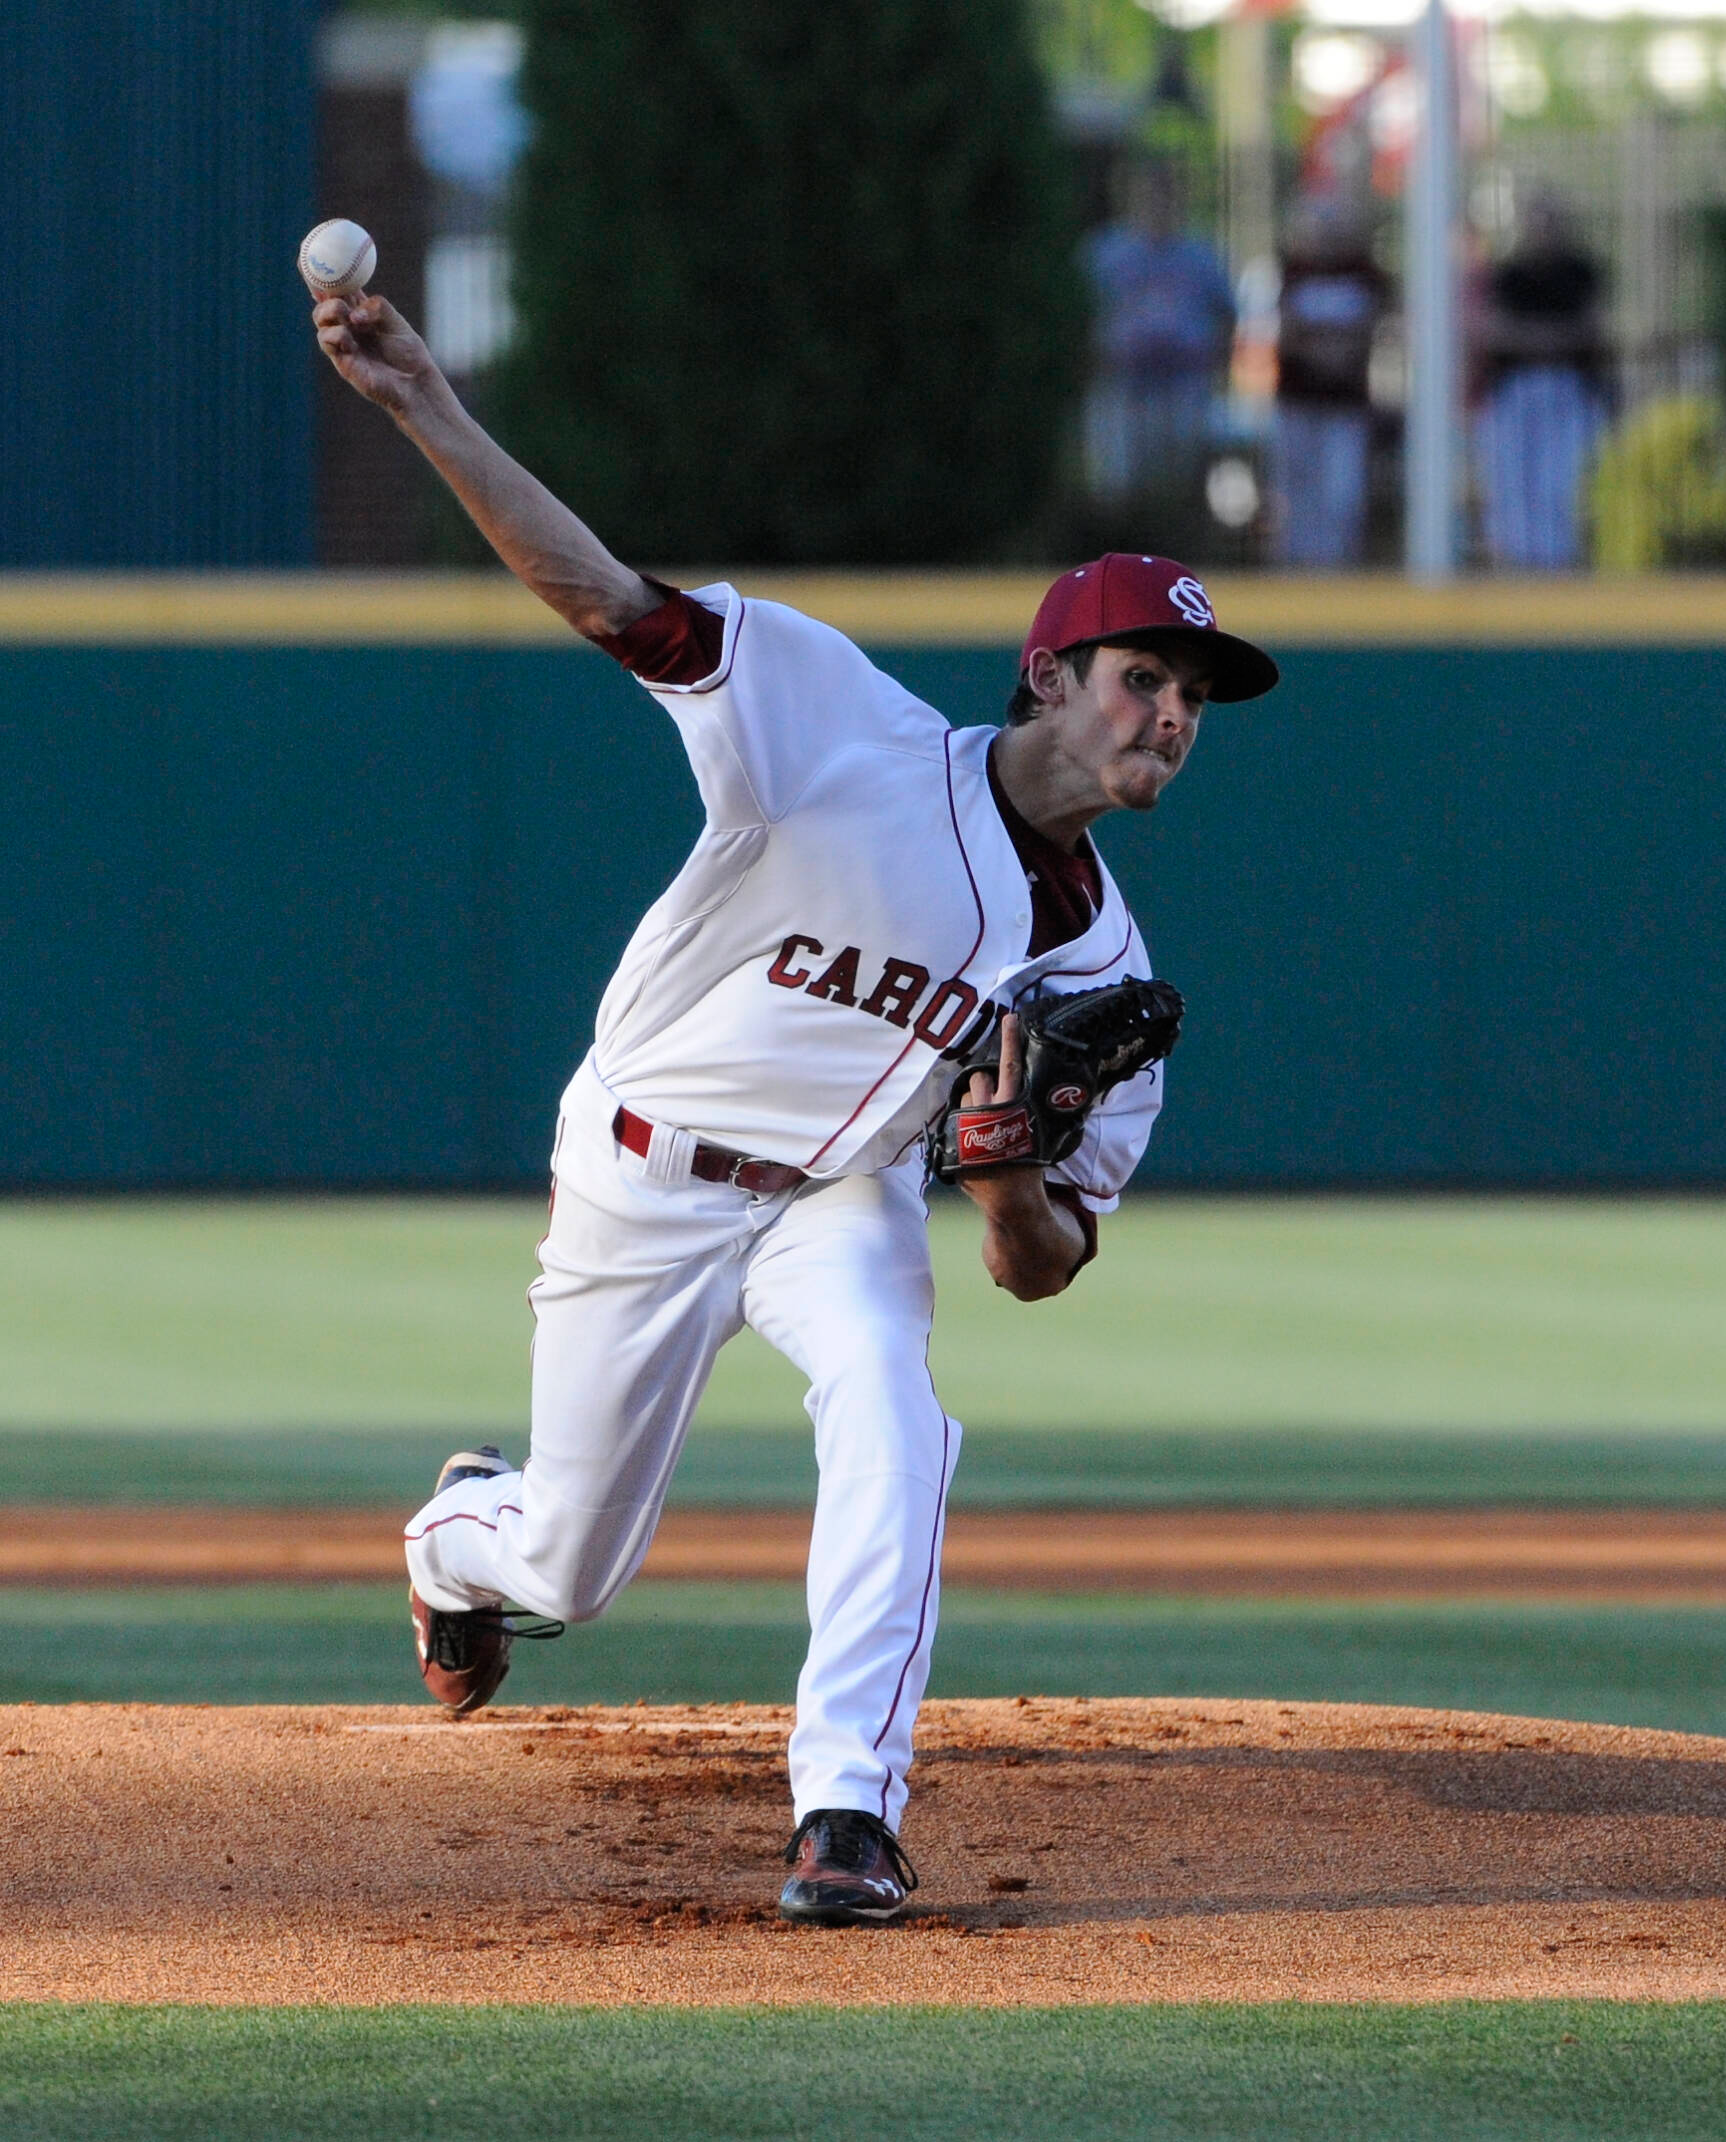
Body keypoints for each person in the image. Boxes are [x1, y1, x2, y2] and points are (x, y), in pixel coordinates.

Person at [310, 285, 1279, 1925]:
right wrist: (426, 407)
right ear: (1051, 674)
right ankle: (456, 1532)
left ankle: (848, 1811)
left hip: (841, 1196)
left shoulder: (1111, 973)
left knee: (898, 1417)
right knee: (570, 1566)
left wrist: (1004, 1180)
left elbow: (1043, 1264)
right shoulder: (840, 725)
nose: (1171, 714)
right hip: (646, 1166)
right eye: (1143, 675)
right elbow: (609, 600)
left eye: (1194, 695)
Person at [1471, 195, 1612, 571]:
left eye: (1551, 222)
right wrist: (1553, 338)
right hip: (1517, 391)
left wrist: (1538, 339)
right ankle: (1517, 569)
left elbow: (1594, 330)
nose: (1544, 232)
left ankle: (1558, 569)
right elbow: (1496, 333)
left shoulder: (1581, 272)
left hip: (1569, 389)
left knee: (1561, 486)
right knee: (1513, 490)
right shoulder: (1510, 275)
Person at [1084, 160, 1237, 502]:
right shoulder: (1105, 252)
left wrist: (1218, 365)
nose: (1158, 202)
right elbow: (1079, 315)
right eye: (1149, 194)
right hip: (1122, 384)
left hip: (1184, 385)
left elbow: (1227, 314)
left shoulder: (1201, 255)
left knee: (1177, 481)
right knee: (1118, 482)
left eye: (1166, 194)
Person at [1268, 197, 1390, 568]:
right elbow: (1286, 334)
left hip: (1345, 405)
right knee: (1296, 497)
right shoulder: (1290, 272)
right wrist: (1329, 345)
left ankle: (1340, 570)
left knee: (1343, 497)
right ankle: (1294, 571)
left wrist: (1326, 343)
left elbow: (1371, 334)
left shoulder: (1366, 275)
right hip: (1297, 402)